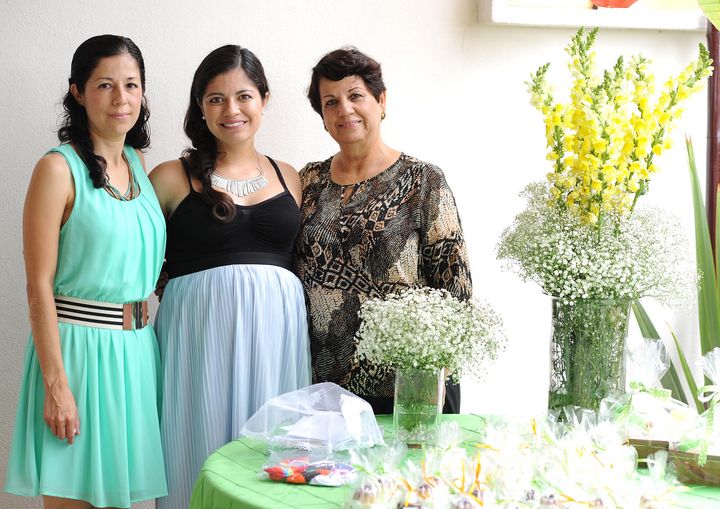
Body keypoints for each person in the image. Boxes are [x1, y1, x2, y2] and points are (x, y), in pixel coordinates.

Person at [4, 35, 167, 508]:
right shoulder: (57, 169)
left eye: (131, 85)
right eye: (105, 85)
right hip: (77, 355)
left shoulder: (138, 163)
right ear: (78, 92)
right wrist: (56, 386)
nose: (121, 99)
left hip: (136, 354)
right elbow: (38, 287)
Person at [149, 45, 311, 509]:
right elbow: (136, 260)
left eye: (243, 96)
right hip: (197, 341)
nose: (231, 110)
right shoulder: (170, 177)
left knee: (272, 461)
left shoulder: (291, 177)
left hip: (277, 341)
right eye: (216, 98)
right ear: (200, 106)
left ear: (264, 100)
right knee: (194, 450)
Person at [295, 47, 472, 415]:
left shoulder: (423, 180)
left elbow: (456, 288)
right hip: (325, 387)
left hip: (409, 383)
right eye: (331, 102)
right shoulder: (308, 182)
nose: (345, 109)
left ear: (381, 101)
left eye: (355, 95)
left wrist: (436, 379)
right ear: (323, 118)